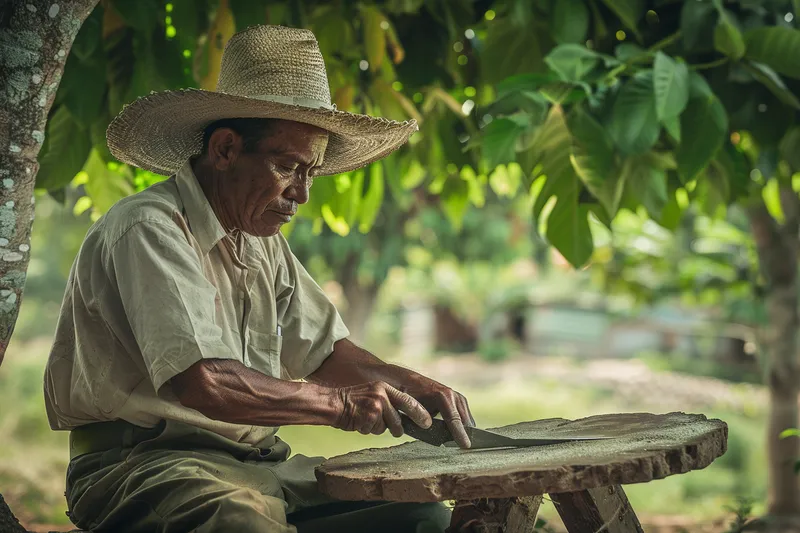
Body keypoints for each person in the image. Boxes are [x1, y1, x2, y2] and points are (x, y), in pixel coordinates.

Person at [43, 25, 475, 533]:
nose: (303, 194)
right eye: (289, 166)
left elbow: (325, 353)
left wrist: (406, 383)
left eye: (311, 172)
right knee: (239, 522)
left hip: (258, 465)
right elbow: (204, 382)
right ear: (225, 149)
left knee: (422, 519)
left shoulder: (262, 242)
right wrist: (339, 406)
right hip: (143, 466)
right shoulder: (147, 229)